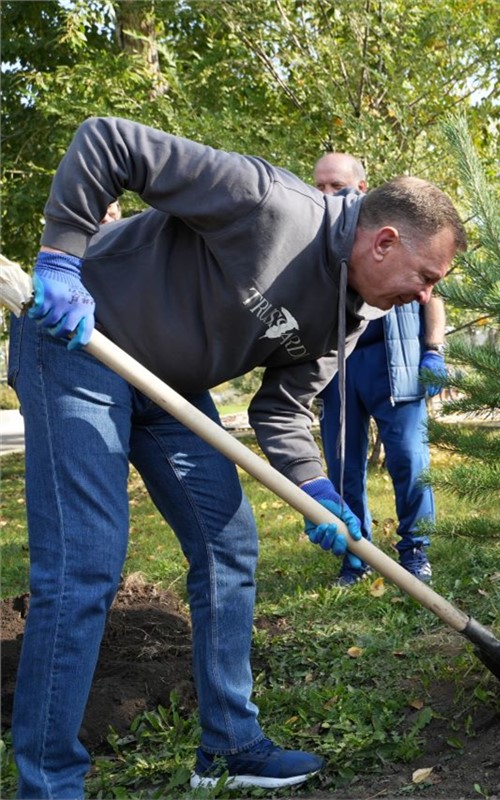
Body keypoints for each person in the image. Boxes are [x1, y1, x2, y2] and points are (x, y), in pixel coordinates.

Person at [7, 116, 465, 797]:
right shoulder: (267, 202)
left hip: (168, 388)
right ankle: (50, 784)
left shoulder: (353, 315)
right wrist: (62, 259)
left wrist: (319, 491)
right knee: (85, 565)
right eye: (425, 276)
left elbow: (281, 409)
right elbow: (109, 142)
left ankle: (227, 746)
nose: (427, 295)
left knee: (230, 545)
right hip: (79, 344)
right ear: (384, 241)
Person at [311, 152, 447, 586]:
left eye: (337, 186)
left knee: (409, 459)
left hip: (397, 362)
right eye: (319, 187)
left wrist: (434, 351)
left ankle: (416, 551)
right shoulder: (317, 240)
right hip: (339, 368)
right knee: (343, 463)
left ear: (363, 190)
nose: (327, 195)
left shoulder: (398, 232)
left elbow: (434, 294)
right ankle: (356, 555)